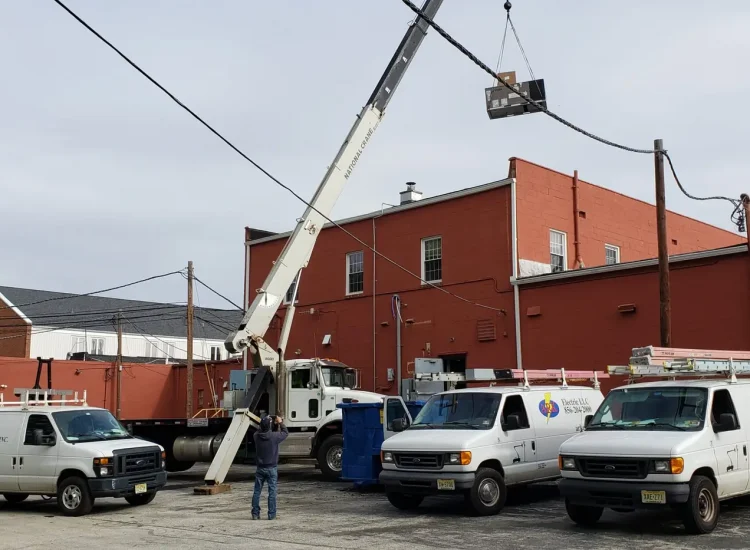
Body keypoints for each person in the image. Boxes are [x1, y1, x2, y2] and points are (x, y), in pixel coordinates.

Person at [252, 414, 288, 520]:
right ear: (270, 426)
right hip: (272, 468)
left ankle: (255, 513)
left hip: (260, 468)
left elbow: (260, 430)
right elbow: (285, 432)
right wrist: (280, 422)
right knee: (272, 492)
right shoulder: (274, 437)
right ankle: (271, 514)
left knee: (257, 491)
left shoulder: (256, 436)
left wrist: (268, 423)